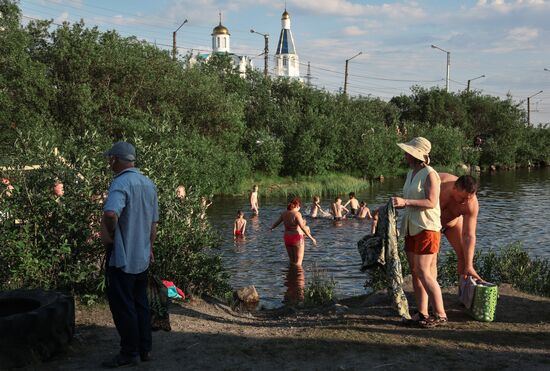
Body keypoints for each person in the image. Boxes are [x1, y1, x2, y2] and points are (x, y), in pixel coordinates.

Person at [100, 141, 159, 367]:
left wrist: (115, 237)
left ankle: (129, 353)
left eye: (110, 159)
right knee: (140, 303)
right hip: (142, 258)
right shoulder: (148, 183)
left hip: (122, 258)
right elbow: (154, 226)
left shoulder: (120, 183)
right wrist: (149, 248)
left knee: (123, 306)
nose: (109, 163)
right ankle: (145, 350)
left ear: (116, 159)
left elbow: (110, 213)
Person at [392, 137, 447, 328]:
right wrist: (395, 205)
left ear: (416, 154)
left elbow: (431, 202)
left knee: (425, 272)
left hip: (427, 228)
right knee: (416, 273)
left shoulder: (430, 174)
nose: (405, 154)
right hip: (410, 227)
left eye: (407, 151)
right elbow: (409, 200)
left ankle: (440, 314)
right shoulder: (411, 173)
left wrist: (405, 202)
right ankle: (422, 312)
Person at [439, 173, 481, 281]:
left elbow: (469, 235)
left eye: (469, 198)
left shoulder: (471, 204)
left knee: (464, 255)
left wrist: (469, 265)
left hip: (452, 224)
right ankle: (430, 293)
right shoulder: (438, 184)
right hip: (430, 224)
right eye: (463, 198)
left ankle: (463, 291)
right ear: (454, 189)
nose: (465, 202)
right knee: (431, 259)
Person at [271, 197, 316, 266]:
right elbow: (302, 227)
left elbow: (277, 223)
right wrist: (311, 238)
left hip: (287, 238)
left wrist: (271, 228)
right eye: (299, 207)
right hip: (297, 238)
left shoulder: (284, 213)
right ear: (297, 206)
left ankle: (291, 275)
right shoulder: (297, 214)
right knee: (298, 263)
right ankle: (298, 276)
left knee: (292, 261)